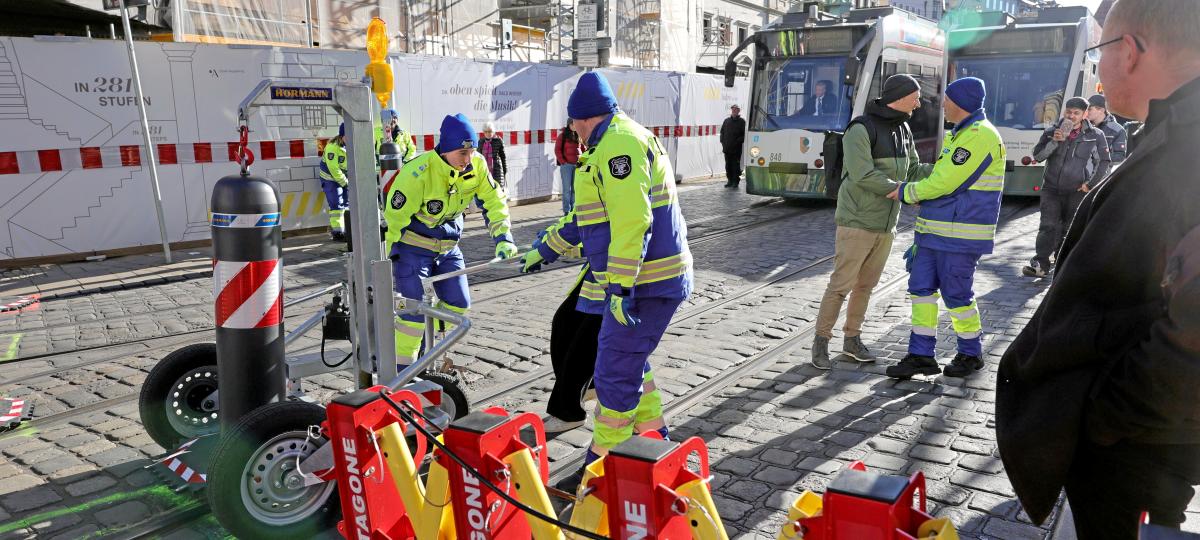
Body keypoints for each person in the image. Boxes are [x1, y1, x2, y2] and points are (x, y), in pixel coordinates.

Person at [996, 0, 1200, 537]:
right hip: (1147, 437)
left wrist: (1105, 419)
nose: (1098, 71)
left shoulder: (1189, 148)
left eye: (1099, 52)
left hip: (1136, 446)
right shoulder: (1171, 131)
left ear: (1129, 52)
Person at [522, 72, 692, 489]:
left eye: (572, 124)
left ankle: (602, 469)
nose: (572, 131)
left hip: (643, 285)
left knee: (614, 373)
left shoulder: (617, 145)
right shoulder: (607, 144)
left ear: (579, 120)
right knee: (630, 362)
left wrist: (618, 287)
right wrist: (547, 249)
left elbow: (634, 221)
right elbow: (588, 218)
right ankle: (654, 441)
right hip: (640, 283)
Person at [884, 76, 1006, 380]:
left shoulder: (980, 135)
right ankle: (921, 355)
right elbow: (942, 179)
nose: (943, 107)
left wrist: (906, 192)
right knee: (921, 291)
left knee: (956, 294)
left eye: (947, 101)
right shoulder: (960, 133)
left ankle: (970, 352)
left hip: (960, 236)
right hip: (933, 233)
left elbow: (946, 182)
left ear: (961, 103)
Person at [812, 75, 930, 370]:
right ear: (901, 97)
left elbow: (914, 168)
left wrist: (948, 168)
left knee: (866, 286)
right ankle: (820, 343)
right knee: (841, 285)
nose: (919, 102)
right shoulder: (861, 129)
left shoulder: (903, 127)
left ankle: (852, 340)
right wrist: (901, 191)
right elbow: (862, 174)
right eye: (915, 97)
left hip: (886, 224)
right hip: (857, 221)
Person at [382, 114, 519, 363]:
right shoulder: (417, 173)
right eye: (461, 154)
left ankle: (426, 345)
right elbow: (394, 219)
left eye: (471, 153)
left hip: (448, 249)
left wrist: (503, 237)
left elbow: (493, 201)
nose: (467, 161)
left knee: (459, 303)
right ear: (445, 150)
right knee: (412, 316)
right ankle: (402, 373)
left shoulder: (476, 164)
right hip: (413, 250)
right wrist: (388, 257)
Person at [1022, 97, 1111, 278]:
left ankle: (1062, 261)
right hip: (1051, 188)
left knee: (1069, 228)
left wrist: (1090, 185)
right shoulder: (1051, 132)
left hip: (1077, 190)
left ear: (1085, 114)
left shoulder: (1095, 135)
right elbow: (1038, 156)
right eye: (1068, 112)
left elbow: (1104, 162)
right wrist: (1054, 142)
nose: (1071, 116)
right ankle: (1040, 263)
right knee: (1048, 225)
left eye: (1076, 113)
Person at [318, 124, 349, 242]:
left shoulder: (350, 145)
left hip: (344, 179)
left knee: (346, 204)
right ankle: (337, 232)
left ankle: (347, 230)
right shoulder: (332, 147)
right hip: (330, 179)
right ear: (342, 136)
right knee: (337, 205)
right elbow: (334, 169)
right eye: (347, 136)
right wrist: (346, 183)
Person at [1087, 94, 1129, 164]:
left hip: (1101, 173)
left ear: (1101, 110)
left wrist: (1096, 157)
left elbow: (1119, 157)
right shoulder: (1083, 126)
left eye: (1089, 109)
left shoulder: (1117, 130)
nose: (1086, 112)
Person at [554, 120, 582, 214]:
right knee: (567, 189)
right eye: (573, 124)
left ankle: (573, 209)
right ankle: (566, 210)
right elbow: (557, 150)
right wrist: (563, 162)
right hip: (567, 166)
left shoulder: (578, 134)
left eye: (576, 124)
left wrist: (583, 156)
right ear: (569, 124)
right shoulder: (562, 136)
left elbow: (582, 147)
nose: (575, 126)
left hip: (577, 165)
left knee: (575, 189)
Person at [719, 104, 746, 188]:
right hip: (727, 148)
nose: (734, 111)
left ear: (738, 111)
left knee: (735, 166)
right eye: (733, 109)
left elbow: (744, 135)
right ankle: (729, 180)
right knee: (728, 166)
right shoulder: (726, 121)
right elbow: (722, 132)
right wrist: (722, 141)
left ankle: (735, 182)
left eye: (736, 109)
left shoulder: (742, 121)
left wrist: (737, 142)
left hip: (736, 149)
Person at [479, 122, 508, 190]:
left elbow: (503, 157)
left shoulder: (498, 140)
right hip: (484, 171)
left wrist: (505, 169)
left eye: (490, 131)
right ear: (483, 132)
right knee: (487, 191)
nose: (488, 133)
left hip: (497, 170)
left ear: (493, 131)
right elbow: (478, 157)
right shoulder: (481, 141)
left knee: (498, 190)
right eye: (486, 132)